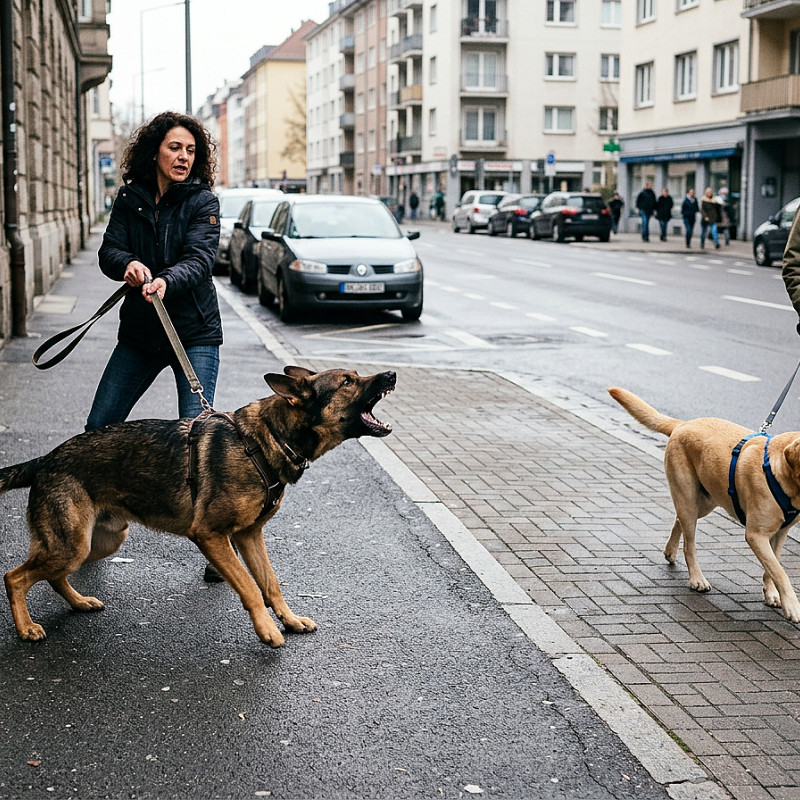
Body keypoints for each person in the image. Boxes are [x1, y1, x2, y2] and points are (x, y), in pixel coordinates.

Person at [86, 111, 224, 583]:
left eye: (190, 150)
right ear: (155, 152)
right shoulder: (131, 197)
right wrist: (128, 264)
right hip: (142, 335)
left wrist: (166, 278)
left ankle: (215, 544)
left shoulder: (202, 200)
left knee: (198, 442)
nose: (183, 156)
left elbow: (202, 260)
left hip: (194, 334)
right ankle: (97, 523)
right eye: (174, 148)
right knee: (99, 426)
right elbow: (108, 250)